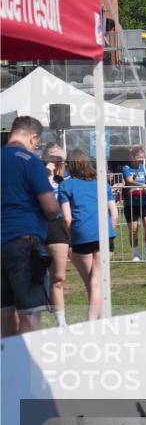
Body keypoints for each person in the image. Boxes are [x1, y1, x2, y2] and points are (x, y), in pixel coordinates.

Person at [1, 116, 62, 336]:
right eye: (36, 144)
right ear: (32, 137)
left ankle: (6, 367)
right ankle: (28, 367)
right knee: (29, 313)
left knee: (4, 314)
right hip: (24, 242)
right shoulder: (29, 160)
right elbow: (51, 207)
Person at [59, 150, 118, 321]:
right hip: (105, 235)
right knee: (97, 282)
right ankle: (97, 320)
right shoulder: (102, 184)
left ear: (70, 165)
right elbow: (114, 213)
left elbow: (67, 218)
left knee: (92, 283)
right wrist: (109, 231)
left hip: (80, 236)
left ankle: (93, 321)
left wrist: (69, 239)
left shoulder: (65, 186)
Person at [42, 143, 71, 327]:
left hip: (57, 227)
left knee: (58, 277)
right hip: (36, 226)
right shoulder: (36, 175)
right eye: (52, 157)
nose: (55, 161)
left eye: (59, 158)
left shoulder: (66, 179)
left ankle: (61, 323)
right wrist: (47, 176)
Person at [122, 146, 146, 261]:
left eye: (142, 157)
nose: (141, 159)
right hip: (130, 204)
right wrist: (142, 185)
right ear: (132, 158)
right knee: (134, 229)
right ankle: (136, 254)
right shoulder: (126, 168)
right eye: (139, 157)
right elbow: (129, 181)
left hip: (145, 202)